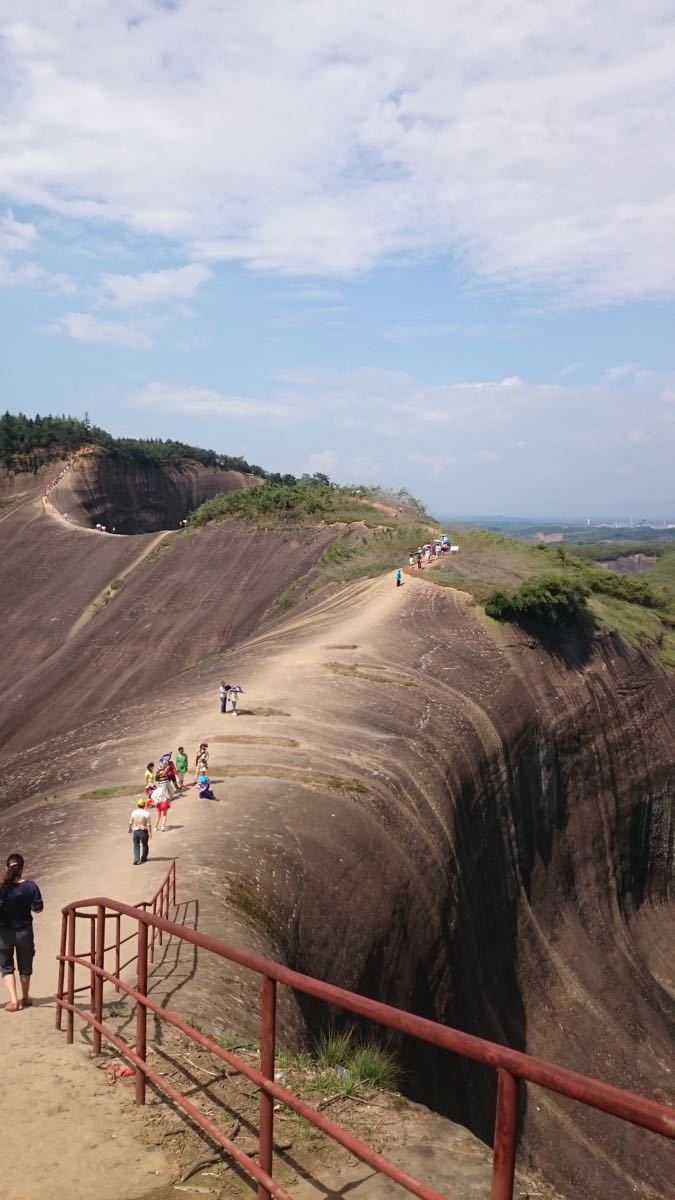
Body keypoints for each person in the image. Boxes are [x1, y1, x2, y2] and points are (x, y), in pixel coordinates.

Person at [0, 853, 43, 1011]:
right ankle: (25, 997)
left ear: (6, 867)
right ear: (23, 868)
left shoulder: (2, 887)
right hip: (25, 931)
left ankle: (13, 1000)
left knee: (6, 966)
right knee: (25, 965)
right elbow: (38, 908)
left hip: (4, 933)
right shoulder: (31, 886)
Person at [128, 798, 152, 864]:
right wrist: (150, 833)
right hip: (143, 831)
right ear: (144, 805)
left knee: (136, 845)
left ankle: (136, 859)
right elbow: (149, 824)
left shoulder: (134, 812)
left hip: (135, 831)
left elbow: (130, 822)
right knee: (145, 845)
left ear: (137, 805)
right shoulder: (146, 813)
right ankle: (144, 858)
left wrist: (129, 829)